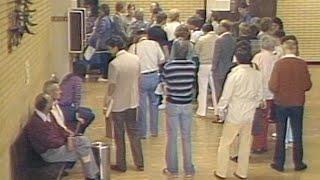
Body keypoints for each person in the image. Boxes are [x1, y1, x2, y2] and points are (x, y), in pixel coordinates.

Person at [214, 41, 263, 179]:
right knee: (245, 143)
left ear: (236, 58)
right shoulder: (257, 74)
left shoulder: (234, 75)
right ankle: (242, 172)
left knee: (225, 143)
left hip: (235, 113)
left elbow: (226, 96)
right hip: (250, 113)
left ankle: (221, 171)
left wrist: (220, 111)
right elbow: (260, 95)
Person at [26, 93, 99, 180]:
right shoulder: (36, 124)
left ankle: (91, 175)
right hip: (51, 153)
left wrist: (68, 136)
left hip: (60, 145)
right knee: (85, 149)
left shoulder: (48, 116)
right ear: (46, 106)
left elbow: (59, 129)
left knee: (83, 140)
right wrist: (66, 142)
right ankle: (92, 176)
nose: (53, 104)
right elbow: (49, 142)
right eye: (51, 102)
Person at [269, 38, 312, 172]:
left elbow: (273, 85)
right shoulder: (302, 64)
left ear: (284, 48)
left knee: (281, 133)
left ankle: (279, 162)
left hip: (281, 102)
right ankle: (298, 162)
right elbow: (307, 85)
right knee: (297, 132)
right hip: (298, 102)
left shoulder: (279, 64)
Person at [106, 36, 144, 172]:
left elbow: (112, 85)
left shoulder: (114, 64)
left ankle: (121, 164)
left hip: (118, 103)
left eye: (110, 47)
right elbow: (139, 77)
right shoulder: (135, 59)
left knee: (119, 134)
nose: (109, 50)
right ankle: (139, 162)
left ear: (115, 47)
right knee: (134, 132)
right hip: (133, 101)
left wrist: (107, 100)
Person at [162, 40, 197, 178]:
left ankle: (172, 168)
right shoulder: (192, 65)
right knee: (186, 137)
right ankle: (189, 168)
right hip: (187, 103)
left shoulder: (168, 66)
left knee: (172, 137)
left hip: (173, 102)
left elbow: (166, 83)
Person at [128, 29, 165, 139]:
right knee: (154, 103)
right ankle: (154, 131)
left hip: (141, 77)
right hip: (154, 75)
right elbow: (162, 59)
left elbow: (131, 62)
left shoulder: (134, 47)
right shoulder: (155, 44)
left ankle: (143, 132)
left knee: (142, 105)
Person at [251, 35, 277, 153]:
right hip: (271, 92)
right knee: (266, 119)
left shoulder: (258, 57)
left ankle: (257, 144)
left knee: (257, 120)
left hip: (260, 92)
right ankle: (263, 143)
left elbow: (253, 74)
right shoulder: (276, 58)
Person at [211, 19, 236, 123]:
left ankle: (220, 115)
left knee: (219, 93)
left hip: (219, 70)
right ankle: (229, 114)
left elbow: (216, 56)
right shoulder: (234, 39)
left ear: (223, 27)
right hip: (230, 68)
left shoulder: (219, 40)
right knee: (229, 93)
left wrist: (213, 68)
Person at [59, 63, 95, 134]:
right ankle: (78, 132)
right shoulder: (77, 80)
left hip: (62, 106)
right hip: (64, 108)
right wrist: (76, 112)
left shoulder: (68, 77)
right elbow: (77, 98)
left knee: (88, 110)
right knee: (90, 115)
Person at [194, 24, 218, 117]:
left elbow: (196, 51)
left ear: (204, 30)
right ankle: (217, 111)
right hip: (215, 65)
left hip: (204, 65)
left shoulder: (201, 39)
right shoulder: (218, 38)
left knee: (203, 88)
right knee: (215, 89)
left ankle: (201, 111)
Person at [88, 4, 113, 82]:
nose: (99, 12)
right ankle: (105, 75)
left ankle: (104, 76)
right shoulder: (109, 19)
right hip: (107, 43)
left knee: (104, 60)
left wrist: (93, 38)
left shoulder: (103, 20)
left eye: (100, 10)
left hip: (103, 43)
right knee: (105, 60)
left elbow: (100, 31)